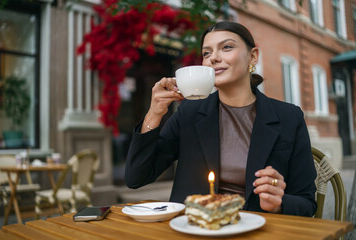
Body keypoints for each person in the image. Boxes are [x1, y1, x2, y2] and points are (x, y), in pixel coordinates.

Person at [125, 21, 317, 217]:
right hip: (195, 229)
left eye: (226, 47)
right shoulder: (189, 113)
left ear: (253, 56)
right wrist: (154, 113)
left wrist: (278, 203)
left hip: (259, 229)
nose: (214, 58)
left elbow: (308, 203)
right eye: (207, 53)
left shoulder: (289, 117)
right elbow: (136, 177)